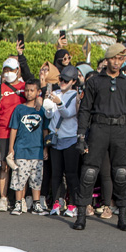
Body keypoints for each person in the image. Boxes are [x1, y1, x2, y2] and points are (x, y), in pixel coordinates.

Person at [75, 43, 126, 231]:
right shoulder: (95, 81)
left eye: (121, 59)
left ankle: (122, 217)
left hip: (120, 130)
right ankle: (81, 216)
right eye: (114, 58)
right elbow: (85, 110)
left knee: (121, 173)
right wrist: (81, 136)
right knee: (89, 172)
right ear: (107, 59)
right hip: (98, 128)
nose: (117, 62)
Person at [0, 44, 34, 212]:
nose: (8, 72)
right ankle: (3, 199)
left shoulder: (25, 88)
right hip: (4, 131)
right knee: (4, 166)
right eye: (5, 70)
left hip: (22, 133)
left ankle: (21, 200)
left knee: (21, 166)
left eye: (11, 70)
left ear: (18, 71)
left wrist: (21, 55)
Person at [43, 65, 80, 217]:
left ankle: (73, 204)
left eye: (66, 80)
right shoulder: (55, 93)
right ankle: (56, 203)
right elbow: (49, 115)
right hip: (56, 138)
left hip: (70, 138)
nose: (62, 82)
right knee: (56, 173)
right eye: (61, 79)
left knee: (71, 174)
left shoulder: (75, 95)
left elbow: (68, 114)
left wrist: (58, 102)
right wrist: (48, 104)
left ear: (73, 81)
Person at [7, 80, 48, 216]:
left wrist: (45, 148)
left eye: (32, 90)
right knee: (19, 177)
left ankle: (36, 203)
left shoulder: (42, 110)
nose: (29, 93)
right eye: (27, 90)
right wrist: (11, 148)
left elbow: (45, 130)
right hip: (21, 149)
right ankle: (18, 203)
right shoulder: (19, 109)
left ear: (38, 92)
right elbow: (14, 129)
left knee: (36, 178)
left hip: (37, 150)